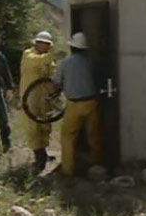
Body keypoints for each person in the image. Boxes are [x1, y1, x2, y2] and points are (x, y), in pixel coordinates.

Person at [53, 32, 103, 176]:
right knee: (94, 135)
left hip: (75, 104)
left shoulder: (66, 63)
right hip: (91, 102)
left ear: (72, 47)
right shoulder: (90, 62)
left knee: (68, 136)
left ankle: (68, 171)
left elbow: (56, 84)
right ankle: (98, 167)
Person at [19, 31, 57, 174]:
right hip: (31, 98)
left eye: (48, 45)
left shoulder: (48, 59)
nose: (46, 47)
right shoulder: (28, 55)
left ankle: (44, 152)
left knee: (45, 125)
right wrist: (50, 56)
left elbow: (52, 73)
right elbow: (36, 62)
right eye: (44, 44)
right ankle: (38, 157)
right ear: (38, 43)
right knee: (33, 126)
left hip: (44, 97)